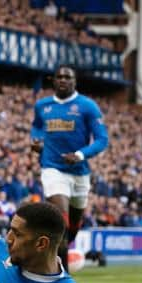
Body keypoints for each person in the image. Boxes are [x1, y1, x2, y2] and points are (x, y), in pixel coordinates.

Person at [31, 65, 109, 268]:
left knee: (72, 228)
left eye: (68, 77)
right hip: (52, 169)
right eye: (59, 77)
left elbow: (102, 139)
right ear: (53, 80)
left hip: (79, 173)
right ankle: (62, 281)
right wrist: (36, 141)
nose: (63, 80)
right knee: (60, 223)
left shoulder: (87, 106)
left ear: (75, 81)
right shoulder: (43, 106)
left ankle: (61, 258)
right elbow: (37, 126)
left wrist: (80, 155)